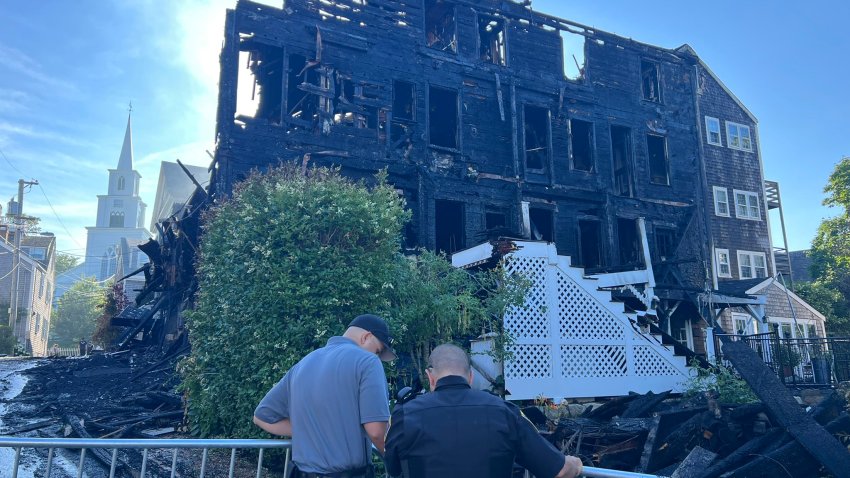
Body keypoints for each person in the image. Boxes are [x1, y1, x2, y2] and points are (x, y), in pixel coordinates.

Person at [384, 344, 583, 478]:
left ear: (430, 377)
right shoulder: (505, 412)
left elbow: (393, 468)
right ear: (470, 377)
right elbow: (557, 470)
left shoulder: (404, 415)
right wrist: (576, 464)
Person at [253, 314, 396, 478]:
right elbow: (377, 432)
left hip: (301, 473)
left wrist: (309, 430)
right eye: (378, 351)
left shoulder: (303, 364)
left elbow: (261, 416)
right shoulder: (368, 361)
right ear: (366, 336)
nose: (377, 356)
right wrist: (397, 463)